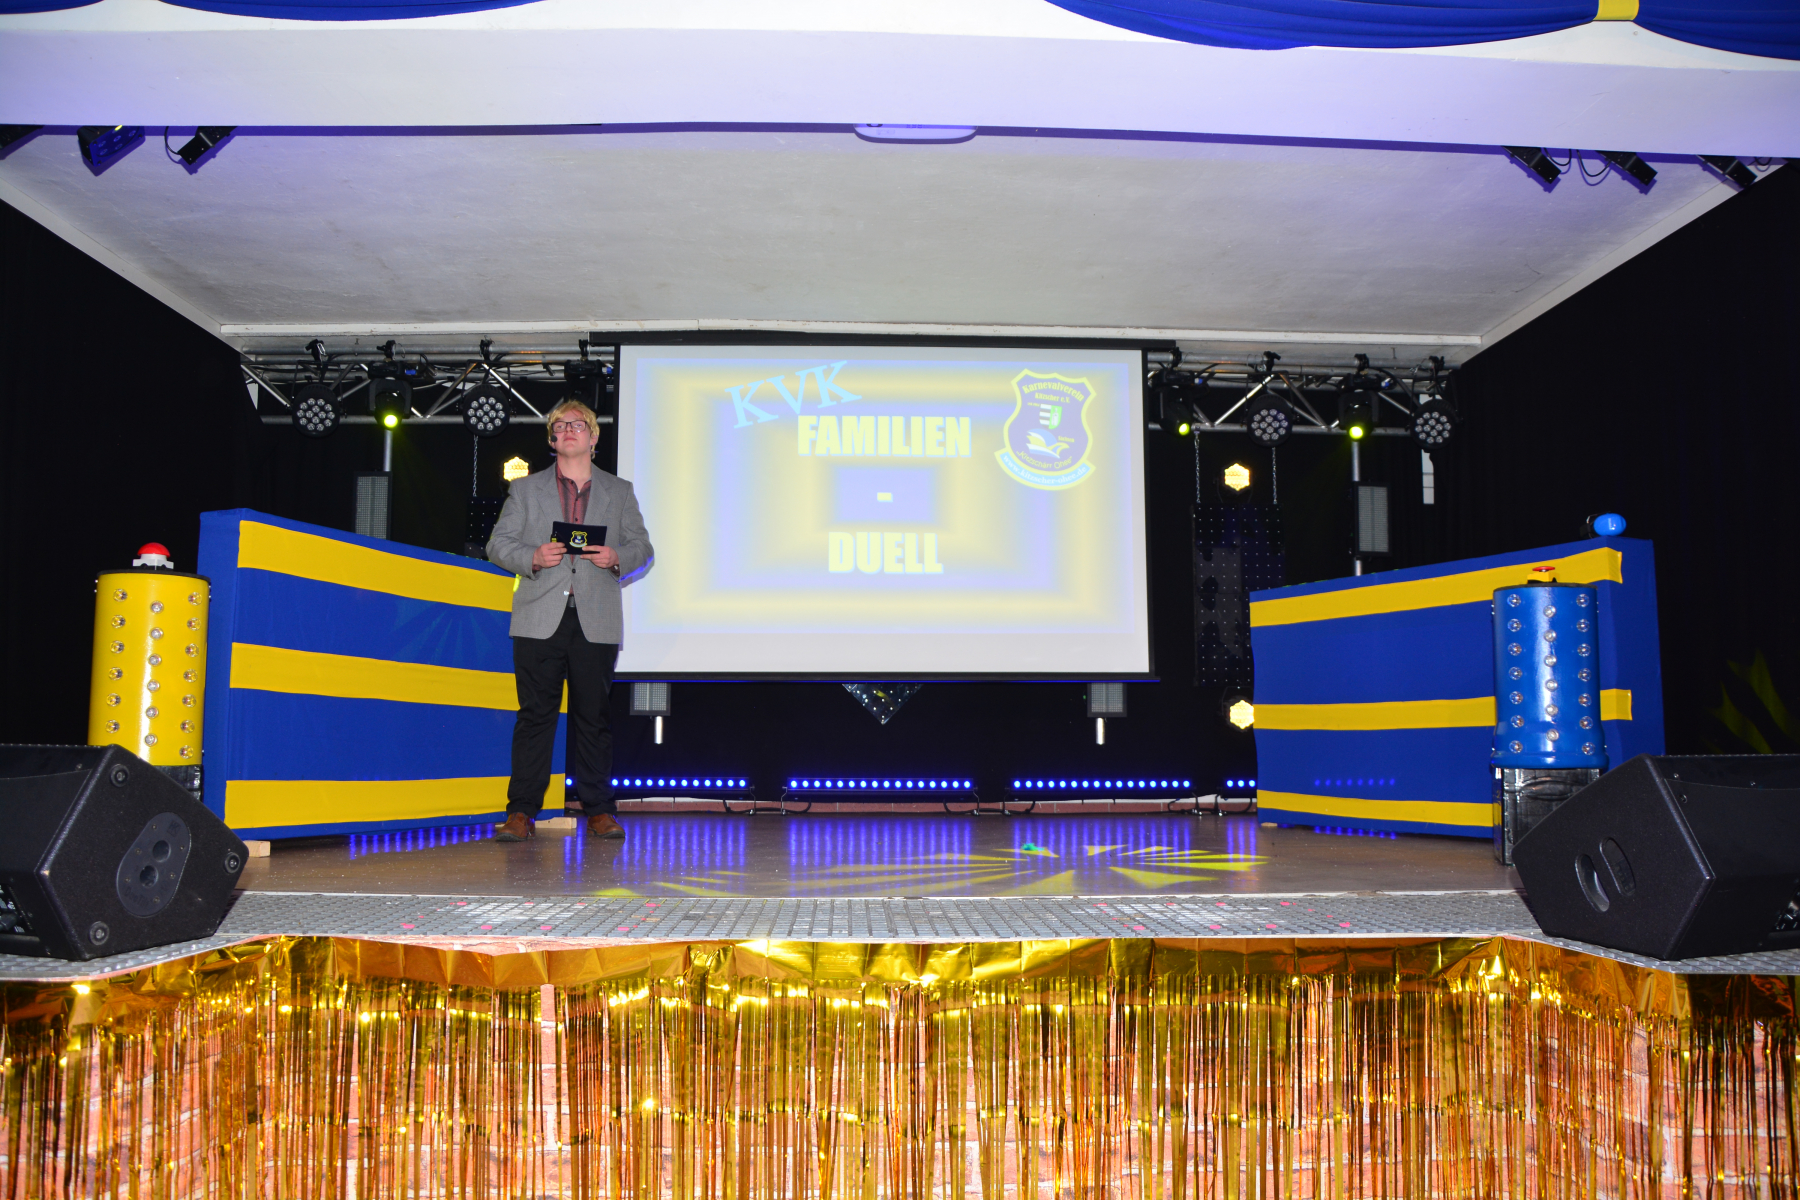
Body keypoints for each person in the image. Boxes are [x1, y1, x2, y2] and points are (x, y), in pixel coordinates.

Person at [486, 398, 653, 841]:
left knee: (593, 718)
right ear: (552, 439)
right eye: (559, 426)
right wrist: (532, 556)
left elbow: (643, 547)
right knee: (535, 717)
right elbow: (498, 545)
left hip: (596, 618)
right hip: (539, 617)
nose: (567, 430)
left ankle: (599, 810)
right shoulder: (526, 490)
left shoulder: (620, 491)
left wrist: (617, 556)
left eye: (577, 424)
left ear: (593, 437)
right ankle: (521, 812)